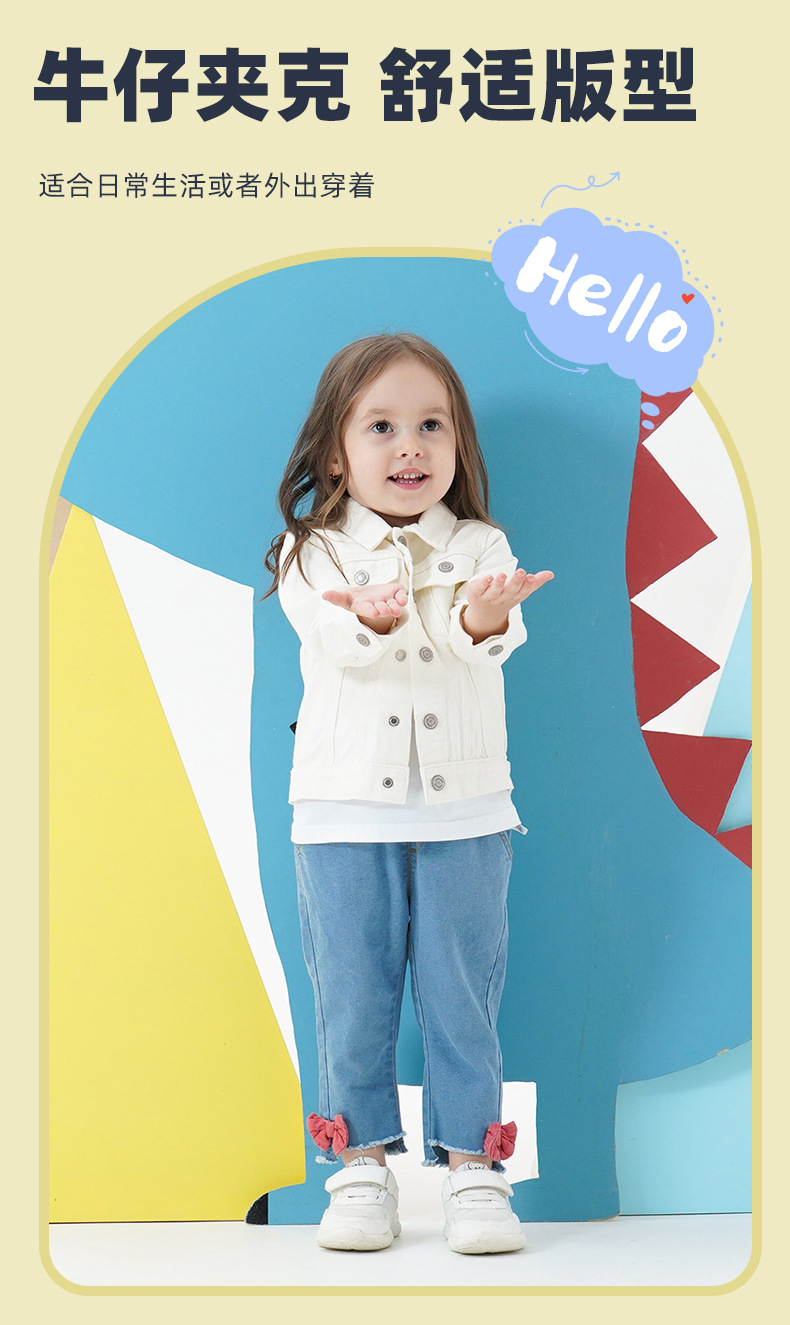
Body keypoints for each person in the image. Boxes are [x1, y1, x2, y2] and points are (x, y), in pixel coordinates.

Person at [264, 332, 553, 1254]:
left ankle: (475, 1167)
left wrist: (483, 614)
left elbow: (481, 640)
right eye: (381, 426)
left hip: (469, 811)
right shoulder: (311, 551)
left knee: (462, 994)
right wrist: (372, 617)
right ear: (334, 451)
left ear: (458, 442)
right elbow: (334, 641)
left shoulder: (480, 543)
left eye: (432, 425)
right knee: (353, 994)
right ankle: (358, 1166)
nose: (410, 447)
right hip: (342, 812)